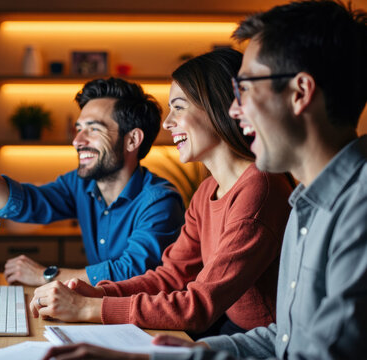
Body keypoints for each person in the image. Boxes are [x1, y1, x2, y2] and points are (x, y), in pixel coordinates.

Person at [42, 1, 367, 359]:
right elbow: (281, 340)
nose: (234, 107)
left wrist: (95, 309)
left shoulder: (349, 207)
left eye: (246, 87)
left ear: (300, 93)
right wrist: (153, 354)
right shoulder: (305, 203)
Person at [30, 48, 294, 337]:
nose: (168, 123)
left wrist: (87, 308)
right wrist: (97, 294)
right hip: (228, 329)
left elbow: (199, 305)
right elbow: (171, 277)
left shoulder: (259, 190)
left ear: (219, 106)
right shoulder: (207, 191)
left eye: (179, 107)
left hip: (265, 342)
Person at [0, 78, 184, 286]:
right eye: (78, 129)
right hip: (106, 312)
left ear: (132, 140)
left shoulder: (159, 201)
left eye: (93, 129)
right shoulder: (80, 185)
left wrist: (45, 275)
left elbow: (130, 273)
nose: (77, 141)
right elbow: (26, 204)